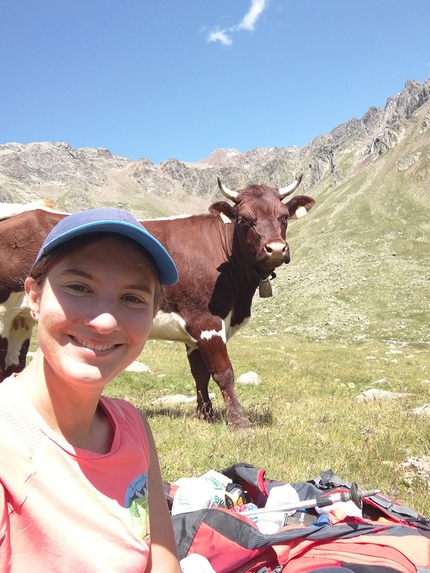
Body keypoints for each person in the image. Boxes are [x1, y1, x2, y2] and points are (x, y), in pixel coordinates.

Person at [0, 208, 182, 573]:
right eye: (79, 287)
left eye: (132, 298)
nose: (104, 321)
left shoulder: (133, 426)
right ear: (34, 297)